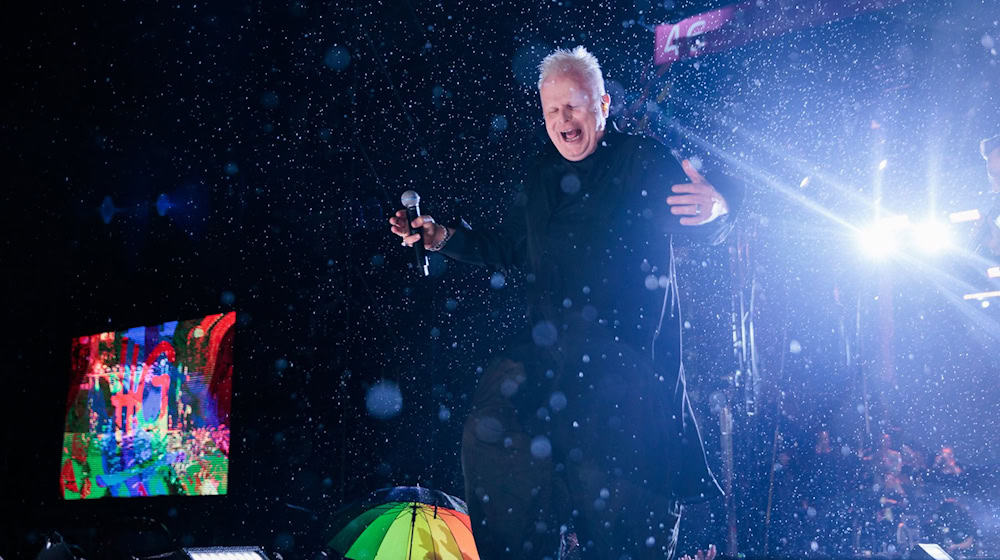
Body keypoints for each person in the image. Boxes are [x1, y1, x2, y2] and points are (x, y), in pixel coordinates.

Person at [389, 46, 740, 559]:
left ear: (601, 105)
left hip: (624, 382)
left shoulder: (640, 161)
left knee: (623, 522)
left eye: (573, 106)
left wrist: (719, 209)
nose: (563, 121)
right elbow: (510, 247)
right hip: (553, 369)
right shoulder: (540, 175)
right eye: (552, 110)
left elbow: (704, 217)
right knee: (493, 431)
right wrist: (443, 237)